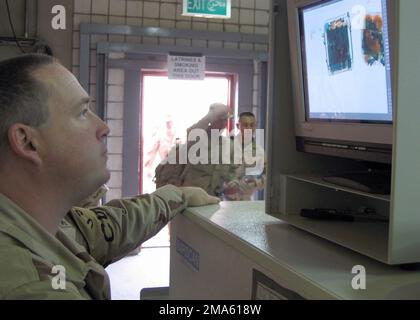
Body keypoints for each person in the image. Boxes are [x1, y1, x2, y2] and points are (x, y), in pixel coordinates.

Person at [0, 54, 219, 299]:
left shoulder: (46, 222)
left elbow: (109, 226)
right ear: (27, 141)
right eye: (82, 112)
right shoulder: (32, 288)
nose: (104, 127)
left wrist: (178, 195)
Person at [155, 103, 236, 197]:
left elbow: (232, 173)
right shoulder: (197, 139)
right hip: (189, 201)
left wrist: (233, 184)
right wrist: (210, 116)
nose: (223, 124)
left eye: (225, 120)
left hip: (212, 201)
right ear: (211, 119)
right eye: (219, 119)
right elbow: (191, 132)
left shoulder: (228, 146)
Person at [223, 112, 266, 201]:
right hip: (223, 199)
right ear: (238, 125)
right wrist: (224, 188)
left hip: (245, 200)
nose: (249, 128)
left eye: (252, 125)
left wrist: (253, 183)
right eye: (245, 125)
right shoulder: (225, 145)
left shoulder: (259, 151)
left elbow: (266, 176)